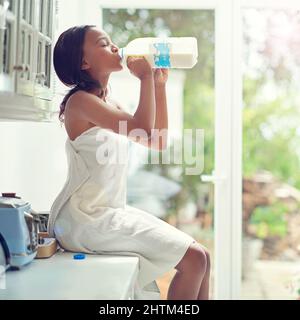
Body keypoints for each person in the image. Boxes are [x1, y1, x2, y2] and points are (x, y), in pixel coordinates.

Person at [47, 25, 210, 300]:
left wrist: (158, 85)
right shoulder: (80, 103)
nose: (114, 47)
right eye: (103, 43)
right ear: (84, 62)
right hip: (85, 219)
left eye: (112, 42)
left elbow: (155, 140)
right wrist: (144, 77)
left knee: (203, 257)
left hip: (109, 211)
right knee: (194, 260)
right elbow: (144, 129)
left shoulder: (108, 103)